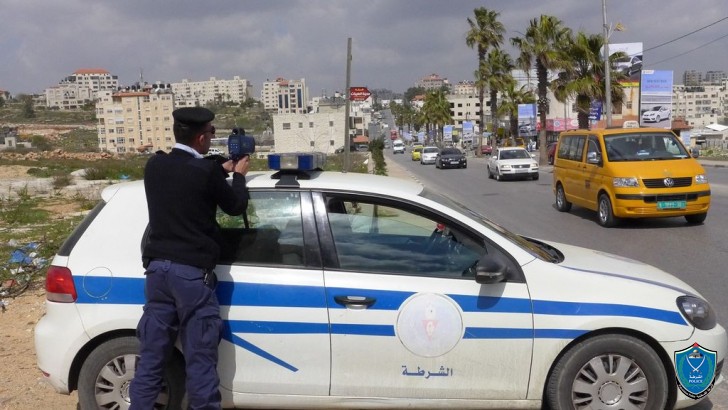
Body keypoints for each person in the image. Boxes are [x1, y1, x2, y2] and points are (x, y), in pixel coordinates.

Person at [130, 107, 250, 409]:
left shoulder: (155, 165)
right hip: (191, 278)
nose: (212, 137)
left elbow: (186, 172)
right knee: (200, 362)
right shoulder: (205, 173)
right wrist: (238, 175)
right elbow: (236, 206)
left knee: (151, 361)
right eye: (211, 132)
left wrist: (219, 167)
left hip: (157, 274)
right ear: (200, 138)